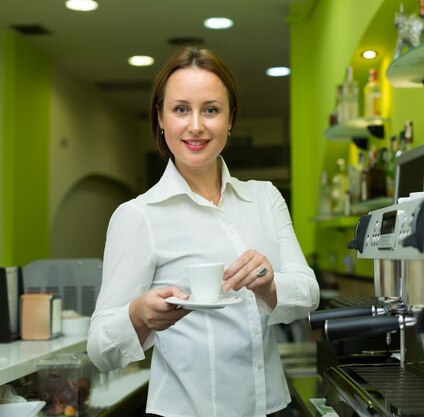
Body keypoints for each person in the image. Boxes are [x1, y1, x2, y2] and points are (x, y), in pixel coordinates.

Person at [87, 46, 320, 417]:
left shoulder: (264, 197)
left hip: (274, 408)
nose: (196, 125)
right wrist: (137, 314)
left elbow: (309, 294)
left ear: (230, 120)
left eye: (211, 109)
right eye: (181, 109)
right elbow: (100, 349)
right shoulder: (138, 216)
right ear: (160, 119)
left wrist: (269, 285)